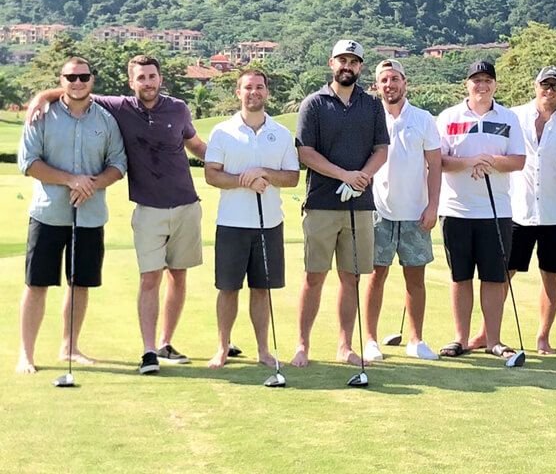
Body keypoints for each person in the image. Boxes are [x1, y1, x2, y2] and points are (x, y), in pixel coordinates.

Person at [27, 55, 208, 375]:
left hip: (182, 204)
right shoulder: (119, 107)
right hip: (137, 209)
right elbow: (74, 95)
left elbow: (192, 144)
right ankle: (148, 350)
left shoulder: (176, 108)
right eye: (142, 78)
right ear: (132, 82)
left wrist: (230, 164)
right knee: (149, 278)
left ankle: (163, 343)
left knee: (177, 276)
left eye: (153, 76)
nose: (148, 82)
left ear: (160, 78)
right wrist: (42, 97)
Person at [16, 57, 126, 374]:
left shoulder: (106, 120)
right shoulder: (42, 115)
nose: (77, 82)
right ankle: (26, 353)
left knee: (79, 284)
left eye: (83, 77)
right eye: (71, 77)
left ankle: (70, 346)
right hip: (48, 215)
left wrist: (92, 184)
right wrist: (70, 179)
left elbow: (118, 164)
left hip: (89, 217)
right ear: (61, 80)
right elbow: (29, 163)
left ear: (92, 79)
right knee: (36, 285)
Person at [469, 66, 556, 355]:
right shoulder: (513, 116)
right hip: (516, 211)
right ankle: (485, 333)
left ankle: (543, 336)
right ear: (535, 86)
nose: (550, 91)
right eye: (545, 85)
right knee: (503, 274)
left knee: (551, 275)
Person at [291, 40, 389, 367]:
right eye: (342, 60)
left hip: (360, 207)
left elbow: (381, 149)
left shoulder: (373, 106)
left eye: (354, 61)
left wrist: (363, 175)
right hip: (321, 203)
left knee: (352, 277)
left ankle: (345, 346)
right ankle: (302, 345)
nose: (347, 66)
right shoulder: (314, 104)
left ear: (360, 67)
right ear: (331, 63)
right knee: (314, 276)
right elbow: (306, 153)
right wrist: (345, 175)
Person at [204, 70, 300, 368]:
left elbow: (293, 177)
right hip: (232, 224)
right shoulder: (222, 131)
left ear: (267, 93)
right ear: (238, 92)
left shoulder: (281, 134)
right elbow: (212, 174)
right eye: (248, 87)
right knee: (228, 288)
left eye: (259, 87)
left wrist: (265, 174)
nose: (254, 92)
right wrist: (245, 180)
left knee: (262, 289)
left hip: (269, 224)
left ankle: (263, 351)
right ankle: (222, 347)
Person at [437, 61, 525, 360]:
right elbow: (441, 161)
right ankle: (460, 339)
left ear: (495, 85)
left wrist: (489, 161)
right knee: (460, 277)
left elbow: (518, 161)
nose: (482, 85)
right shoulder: (449, 117)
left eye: (487, 80)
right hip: (456, 211)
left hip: (496, 211)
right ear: (467, 84)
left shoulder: (509, 117)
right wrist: (473, 161)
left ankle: (493, 340)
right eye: (476, 80)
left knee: (494, 278)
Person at [362, 59, 442, 362]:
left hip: (415, 211)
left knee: (416, 279)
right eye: (384, 80)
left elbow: (435, 166)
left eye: (394, 79)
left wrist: (433, 205)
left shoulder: (422, 119)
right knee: (375, 276)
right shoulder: (369, 117)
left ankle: (416, 340)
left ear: (405, 83)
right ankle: (369, 340)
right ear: (377, 86)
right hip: (378, 210)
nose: (389, 85)